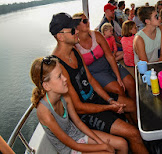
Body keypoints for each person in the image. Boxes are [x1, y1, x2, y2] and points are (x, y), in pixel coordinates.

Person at [49, 12, 148, 153]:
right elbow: (78, 107)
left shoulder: (74, 51)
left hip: (96, 98)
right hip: (85, 113)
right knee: (132, 133)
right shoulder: (58, 66)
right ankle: (136, 138)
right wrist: (109, 107)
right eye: (72, 30)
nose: (76, 31)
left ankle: (140, 141)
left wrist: (108, 99)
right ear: (60, 36)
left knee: (132, 105)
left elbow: (90, 79)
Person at [30, 56, 128, 153]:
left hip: (77, 134)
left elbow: (78, 122)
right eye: (59, 76)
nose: (65, 79)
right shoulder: (45, 112)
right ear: (46, 86)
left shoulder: (65, 95)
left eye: (62, 74)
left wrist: (100, 142)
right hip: (68, 148)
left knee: (122, 144)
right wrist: (103, 147)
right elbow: (74, 145)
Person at [73, 13, 136, 102]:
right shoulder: (74, 45)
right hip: (95, 72)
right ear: (76, 26)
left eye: (87, 20)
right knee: (118, 89)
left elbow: (109, 56)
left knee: (130, 82)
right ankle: (127, 112)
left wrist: (118, 77)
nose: (88, 22)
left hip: (108, 64)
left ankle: (136, 108)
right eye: (84, 21)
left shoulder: (97, 35)